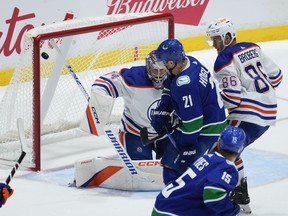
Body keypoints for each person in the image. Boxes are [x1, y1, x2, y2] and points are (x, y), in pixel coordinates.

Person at [206, 17, 283, 210]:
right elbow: (277, 76)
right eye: (212, 39)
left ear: (228, 36)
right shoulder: (253, 47)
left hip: (247, 114)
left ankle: (234, 194)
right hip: (269, 110)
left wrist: (212, 103)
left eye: (217, 39)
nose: (214, 44)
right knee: (230, 149)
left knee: (220, 149)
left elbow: (232, 99)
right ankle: (239, 195)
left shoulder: (224, 59)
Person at [151, 39, 228, 185]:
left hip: (207, 131)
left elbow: (193, 124)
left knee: (176, 169)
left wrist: (187, 148)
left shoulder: (185, 85)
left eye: (163, 62)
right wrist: (164, 108)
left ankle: (182, 202)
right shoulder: (189, 61)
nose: (161, 66)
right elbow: (170, 82)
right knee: (175, 163)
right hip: (212, 120)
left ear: (172, 63)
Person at [88, 50, 169, 160]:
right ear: (148, 67)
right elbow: (107, 81)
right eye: (155, 70)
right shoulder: (134, 78)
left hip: (166, 133)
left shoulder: (175, 78)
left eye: (162, 70)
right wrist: (100, 93)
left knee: (177, 168)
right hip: (135, 133)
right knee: (140, 172)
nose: (159, 75)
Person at [152, 126, 245, 216]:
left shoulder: (208, 158)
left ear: (219, 144)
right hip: (176, 212)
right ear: (241, 149)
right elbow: (212, 195)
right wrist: (233, 209)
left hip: (162, 205)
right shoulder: (228, 167)